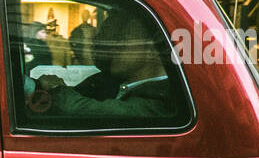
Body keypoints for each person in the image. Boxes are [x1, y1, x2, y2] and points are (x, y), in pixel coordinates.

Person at [34, 14, 174, 119]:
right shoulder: (106, 81)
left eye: (121, 42)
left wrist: (56, 88)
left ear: (151, 50)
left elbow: (85, 109)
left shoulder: (165, 97)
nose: (111, 49)